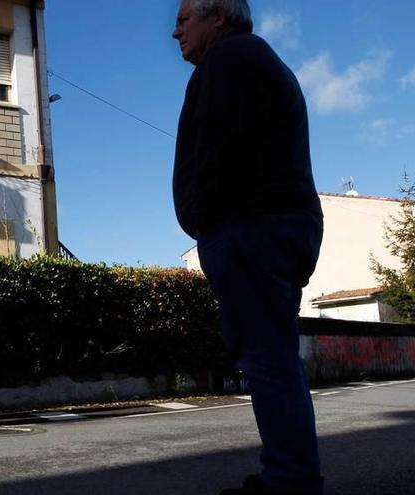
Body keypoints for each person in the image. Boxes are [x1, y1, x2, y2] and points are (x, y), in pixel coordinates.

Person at [171, 1, 324, 494]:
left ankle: (291, 481)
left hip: (252, 229)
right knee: (274, 353)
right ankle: (290, 474)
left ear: (217, 17)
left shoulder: (230, 59)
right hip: (276, 225)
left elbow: (217, 149)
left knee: (267, 356)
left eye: (182, 20)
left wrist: (200, 217)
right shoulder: (257, 59)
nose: (174, 33)